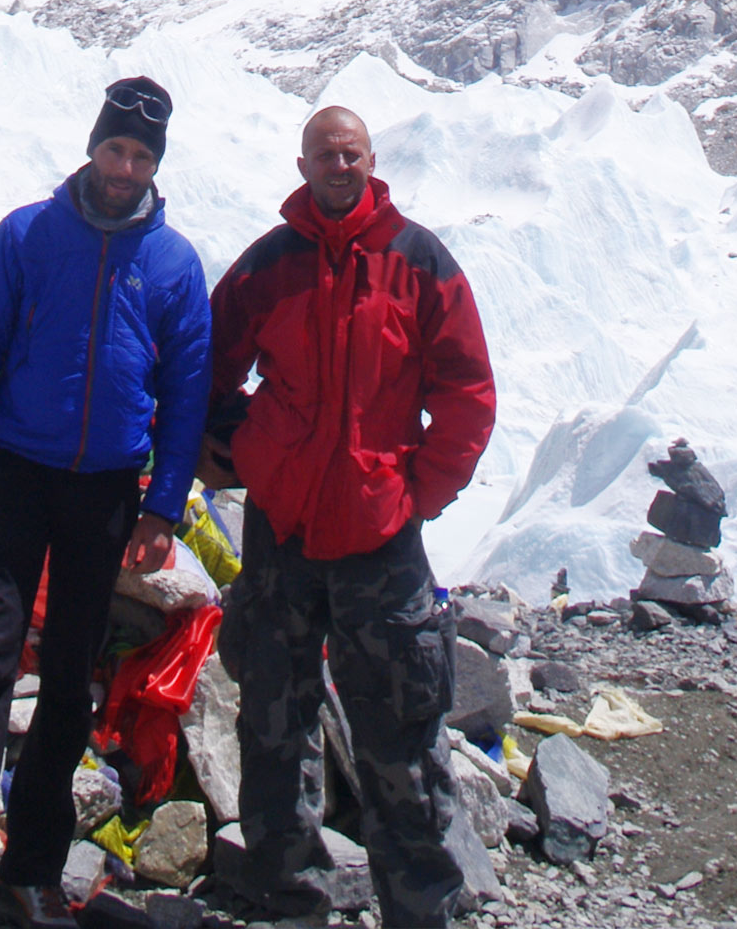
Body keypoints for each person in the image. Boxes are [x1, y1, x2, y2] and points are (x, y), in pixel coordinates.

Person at [0, 77, 212, 929]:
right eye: (115, 149)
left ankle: (33, 869)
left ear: (155, 166)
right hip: (16, 476)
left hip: (107, 492)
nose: (124, 167)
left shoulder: (174, 264)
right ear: (93, 147)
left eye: (141, 156)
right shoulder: (28, 236)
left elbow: (186, 395)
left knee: (73, 680)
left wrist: (162, 508)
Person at [203, 106, 496, 928]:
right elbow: (207, 369)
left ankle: (421, 908)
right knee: (272, 719)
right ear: (302, 167)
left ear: (372, 162)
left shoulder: (419, 261)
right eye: (325, 155)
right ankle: (287, 901)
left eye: (352, 153)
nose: (339, 166)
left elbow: (468, 393)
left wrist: (419, 492)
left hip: (379, 533)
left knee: (401, 730)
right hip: (282, 532)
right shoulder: (268, 265)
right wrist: (239, 454)